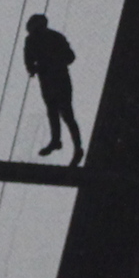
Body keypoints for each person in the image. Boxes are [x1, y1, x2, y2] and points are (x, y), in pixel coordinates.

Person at [24, 14, 84, 166]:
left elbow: (70, 57)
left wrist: (51, 62)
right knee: (53, 111)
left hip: (59, 78)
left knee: (66, 113)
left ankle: (77, 148)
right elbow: (29, 61)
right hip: (48, 80)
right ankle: (56, 140)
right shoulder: (32, 40)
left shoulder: (53, 37)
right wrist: (34, 68)